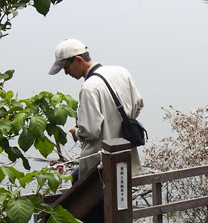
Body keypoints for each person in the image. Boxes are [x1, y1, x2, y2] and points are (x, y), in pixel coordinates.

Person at [48, 38, 145, 179]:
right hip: (125, 158)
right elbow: (138, 104)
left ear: (78, 60)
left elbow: (91, 131)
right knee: (121, 198)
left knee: (76, 184)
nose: (66, 73)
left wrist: (77, 133)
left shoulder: (89, 87)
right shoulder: (122, 72)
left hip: (100, 165)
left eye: (66, 67)